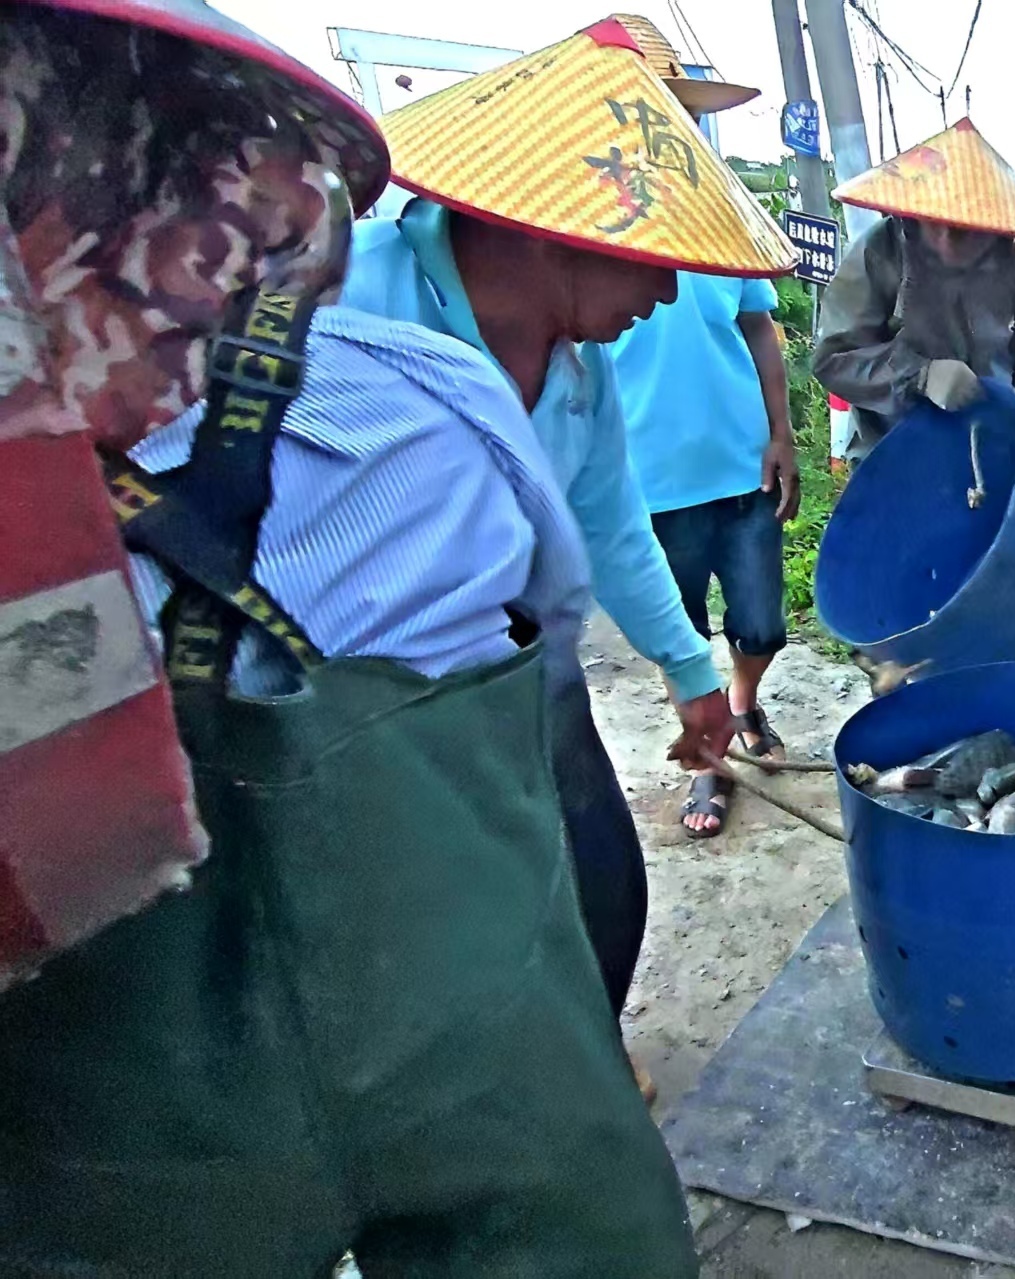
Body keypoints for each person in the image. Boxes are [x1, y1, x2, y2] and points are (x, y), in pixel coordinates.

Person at [0, 3, 696, 1271]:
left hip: (423, 844)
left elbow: (570, 598)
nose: (665, 287)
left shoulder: (469, 398)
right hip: (118, 1075)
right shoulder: (411, 362)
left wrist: (687, 677)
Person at [337, 17, 797, 1017]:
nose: (672, 289)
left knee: (601, 892)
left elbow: (611, 526)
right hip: (351, 706)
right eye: (655, 258)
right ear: (563, 236)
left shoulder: (578, 381)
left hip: (522, 670)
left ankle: (583, 1055)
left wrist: (690, 679)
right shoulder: (339, 294)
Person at [614, 271, 798, 837]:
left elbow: (760, 330)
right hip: (652, 480)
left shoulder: (723, 230)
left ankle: (742, 698)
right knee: (681, 635)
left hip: (744, 470)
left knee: (763, 626)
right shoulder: (600, 227)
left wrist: (782, 433)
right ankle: (710, 764)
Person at [815, 119, 1015, 462]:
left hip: (986, 447)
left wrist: (1008, 416)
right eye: (936, 223)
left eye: (964, 229)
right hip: (891, 448)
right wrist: (920, 376)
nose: (948, 239)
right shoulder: (881, 252)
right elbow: (834, 359)